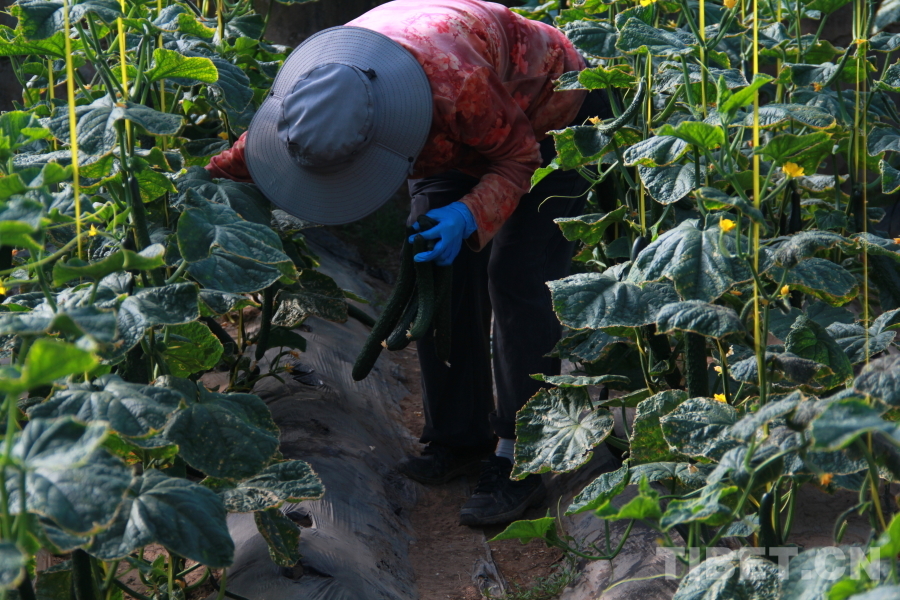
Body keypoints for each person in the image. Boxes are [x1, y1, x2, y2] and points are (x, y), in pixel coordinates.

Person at [205, 0, 610, 526]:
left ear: (380, 137)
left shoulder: (456, 85)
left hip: (548, 117)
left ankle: (522, 455)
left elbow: (518, 158)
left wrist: (468, 215)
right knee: (433, 269)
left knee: (516, 275)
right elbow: (257, 153)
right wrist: (202, 182)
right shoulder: (320, 87)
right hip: (451, 132)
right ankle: (459, 437)